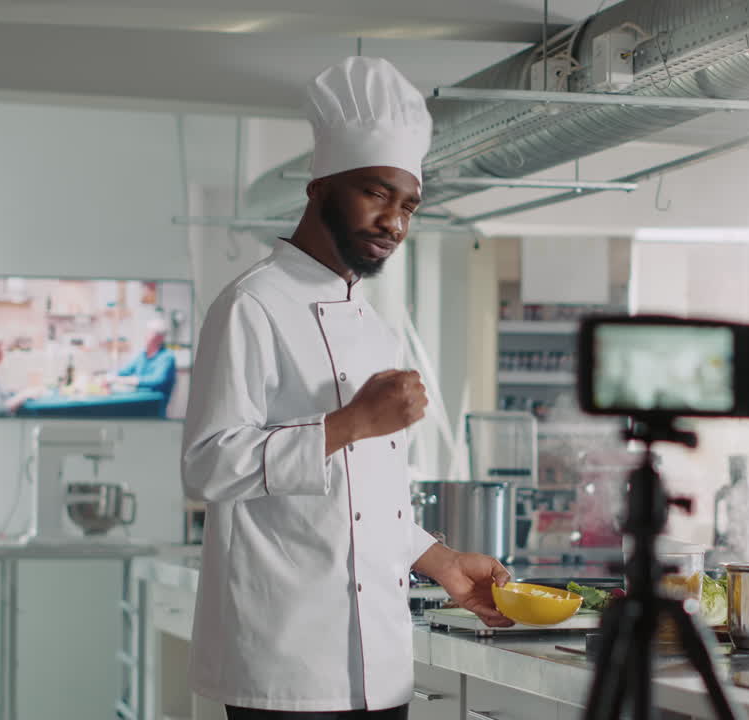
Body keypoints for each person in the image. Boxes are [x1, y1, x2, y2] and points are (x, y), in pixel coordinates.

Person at [181, 57, 512, 720]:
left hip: (381, 664)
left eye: (408, 206)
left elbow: (364, 502)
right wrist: (351, 422)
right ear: (320, 187)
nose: (393, 220)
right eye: (376, 193)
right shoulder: (251, 306)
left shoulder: (377, 331)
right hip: (285, 662)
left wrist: (440, 560)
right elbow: (207, 467)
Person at [116, 316, 177, 413]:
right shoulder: (142, 355)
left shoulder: (167, 357)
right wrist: (107, 376)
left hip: (153, 408)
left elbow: (157, 380)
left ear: (160, 338)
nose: (146, 336)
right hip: (135, 404)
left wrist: (133, 380)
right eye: (147, 332)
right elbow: (124, 371)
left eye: (150, 333)